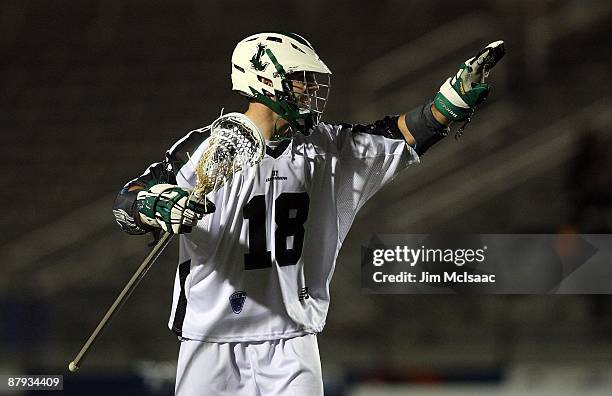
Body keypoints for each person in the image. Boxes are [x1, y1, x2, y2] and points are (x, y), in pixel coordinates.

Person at [112, 32, 505, 396]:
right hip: (211, 336)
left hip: (292, 338)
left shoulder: (327, 147)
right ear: (264, 79)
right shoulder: (207, 147)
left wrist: (448, 103)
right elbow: (129, 199)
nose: (312, 89)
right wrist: (156, 205)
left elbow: (397, 136)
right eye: (301, 79)